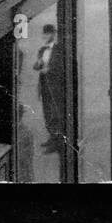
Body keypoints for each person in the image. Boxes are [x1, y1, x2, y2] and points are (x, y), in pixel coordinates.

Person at [34, 23, 67, 151]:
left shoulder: (59, 49)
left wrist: (49, 69)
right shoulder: (42, 50)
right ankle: (52, 137)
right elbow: (36, 67)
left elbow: (61, 66)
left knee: (56, 113)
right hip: (45, 87)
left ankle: (57, 141)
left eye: (48, 34)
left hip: (55, 86)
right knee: (47, 113)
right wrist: (38, 64)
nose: (45, 36)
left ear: (53, 34)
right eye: (44, 34)